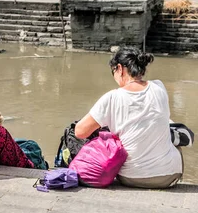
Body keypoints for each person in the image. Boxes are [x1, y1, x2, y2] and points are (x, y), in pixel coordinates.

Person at [75, 48, 183, 189]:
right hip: (169, 176)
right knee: (172, 132)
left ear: (119, 69)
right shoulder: (159, 87)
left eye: (113, 71)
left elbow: (79, 131)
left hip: (131, 177)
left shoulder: (112, 97)